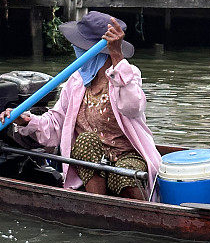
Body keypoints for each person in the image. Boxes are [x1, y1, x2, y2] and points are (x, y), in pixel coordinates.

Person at [0, 11, 161, 200]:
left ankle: (137, 211)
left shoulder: (126, 74)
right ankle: (97, 205)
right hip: (90, 166)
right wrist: (26, 120)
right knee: (85, 141)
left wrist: (117, 57)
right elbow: (56, 124)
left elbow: (133, 107)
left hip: (126, 156)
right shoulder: (76, 81)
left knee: (126, 173)